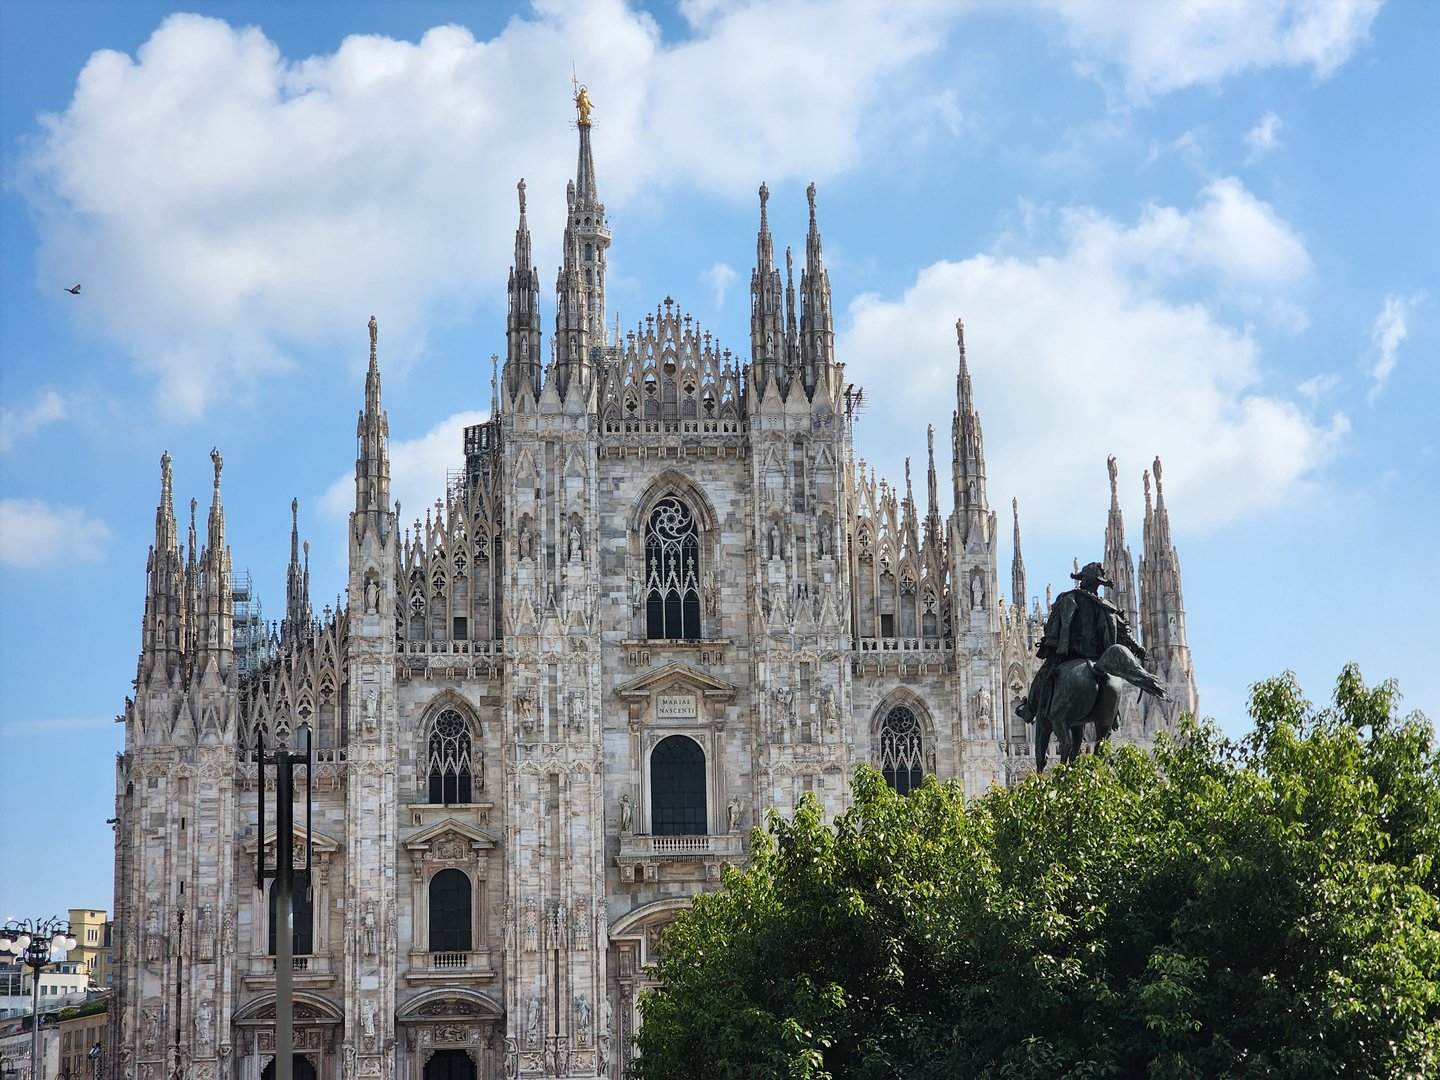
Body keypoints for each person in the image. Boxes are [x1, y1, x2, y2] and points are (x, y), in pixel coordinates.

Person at [1018, 561, 1144, 741]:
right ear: (1098, 584)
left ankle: (1029, 710)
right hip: (1098, 656)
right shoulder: (1107, 607)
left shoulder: (1069, 598)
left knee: (1043, 678)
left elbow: (1055, 627)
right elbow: (1125, 631)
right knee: (1111, 681)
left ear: (1083, 581)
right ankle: (1113, 717)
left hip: (1070, 654)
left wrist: (1050, 643)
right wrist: (1137, 647)